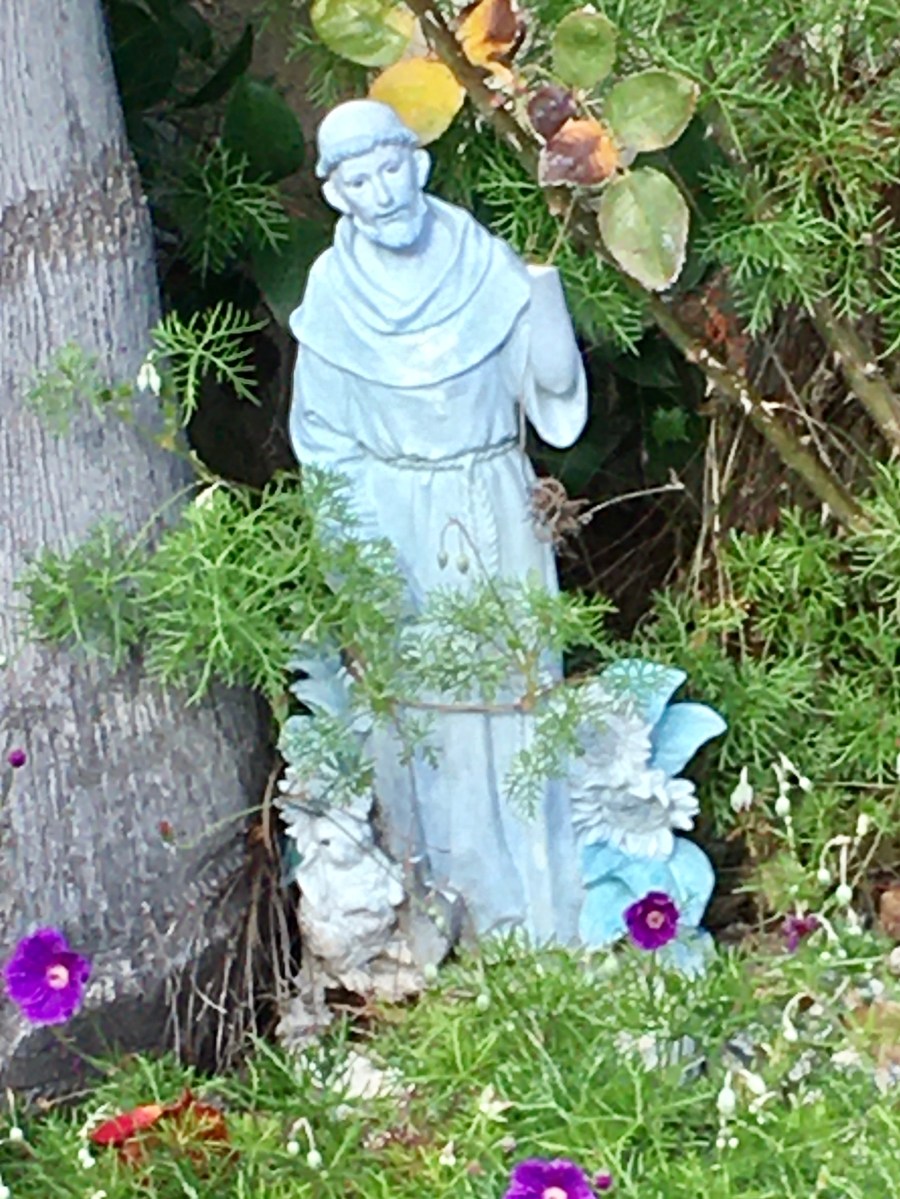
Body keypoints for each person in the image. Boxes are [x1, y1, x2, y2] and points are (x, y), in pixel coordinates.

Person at [289, 99, 588, 944]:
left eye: (392, 168)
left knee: (515, 693)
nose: (383, 192)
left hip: (491, 498)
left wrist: (543, 298)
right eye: (359, 180)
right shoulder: (332, 293)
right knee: (423, 707)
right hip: (395, 515)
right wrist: (356, 545)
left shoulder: (481, 261)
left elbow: (549, 390)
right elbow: (323, 437)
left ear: (417, 165)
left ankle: (536, 911)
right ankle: (439, 905)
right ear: (337, 194)